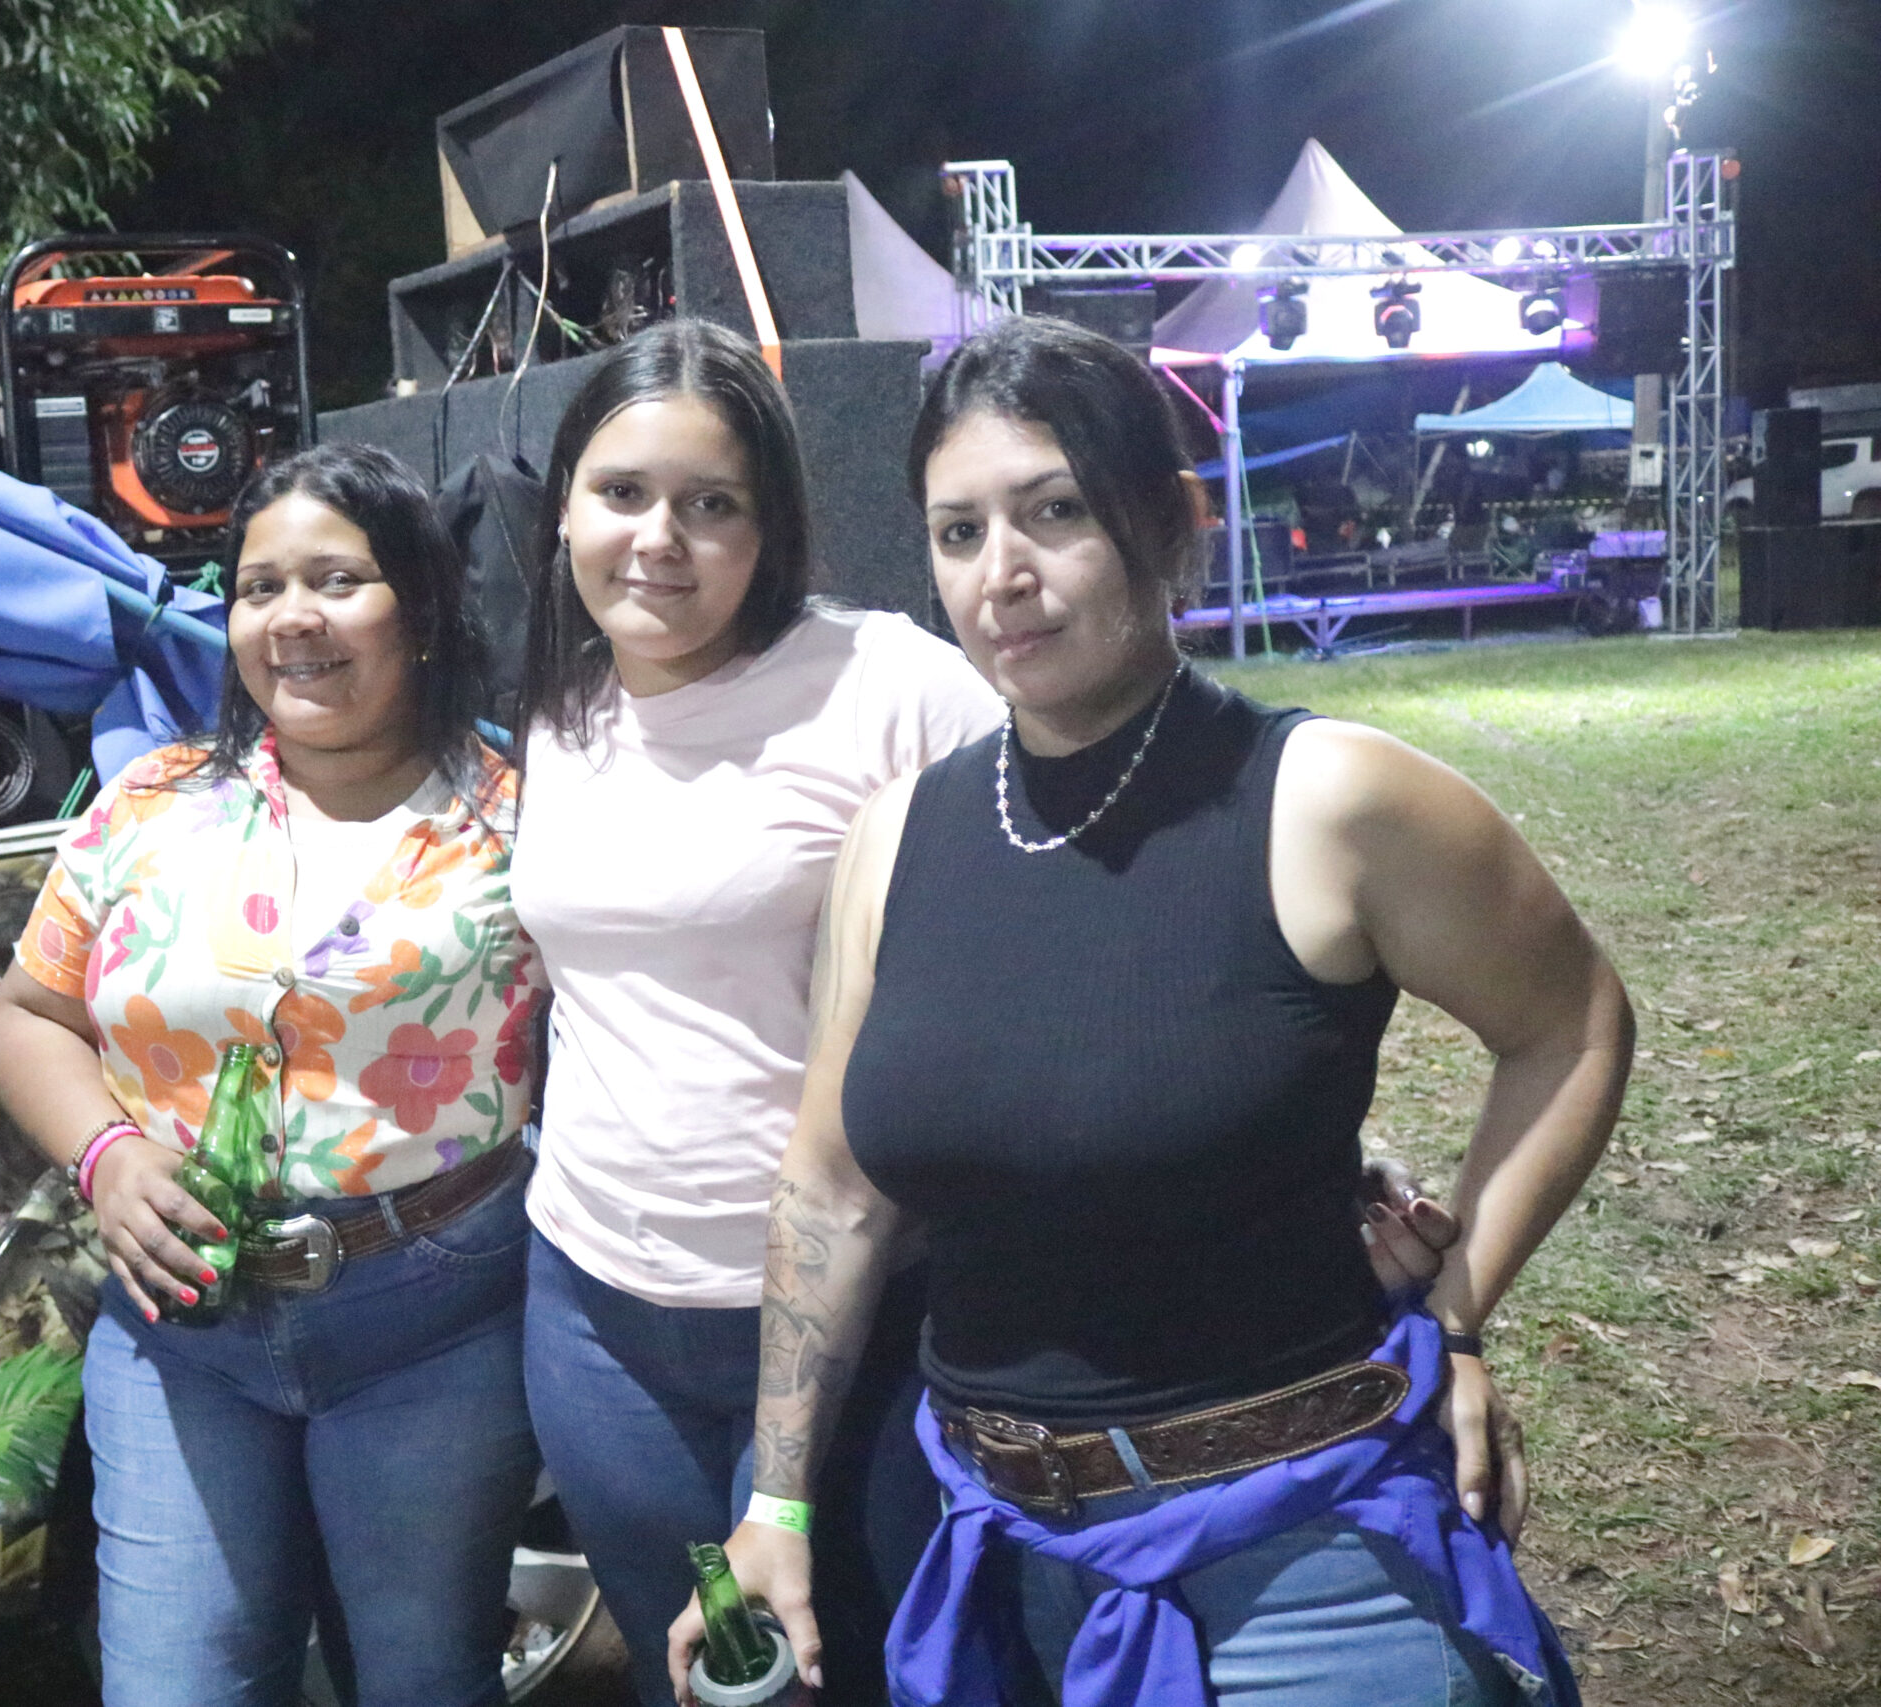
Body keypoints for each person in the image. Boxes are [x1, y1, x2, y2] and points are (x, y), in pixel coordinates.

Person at [508, 320, 1465, 1707]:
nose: (660, 538)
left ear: (772, 529)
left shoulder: (889, 683)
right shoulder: (558, 706)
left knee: (883, 1664)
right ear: (563, 510)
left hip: (869, 1305)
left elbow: (1096, 885)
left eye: (711, 502)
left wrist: (1283, 1147)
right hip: (596, 1304)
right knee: (701, 1677)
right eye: (621, 493)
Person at [679, 315, 1632, 1707]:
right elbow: (832, 1190)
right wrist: (778, 1500)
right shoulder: (897, 840)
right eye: (958, 532)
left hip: (1305, 1560)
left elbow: (1573, 1025)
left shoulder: (1327, 798)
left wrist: (1461, 1305)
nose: (1002, 574)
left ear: (1172, 517)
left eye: (1055, 511)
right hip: (1000, 1558)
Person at [0, 443, 544, 1707]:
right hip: (182, 1331)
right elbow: (30, 1016)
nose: (292, 617)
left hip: (435, 1319)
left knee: (422, 1682)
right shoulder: (148, 804)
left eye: (338, 581)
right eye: (259, 587)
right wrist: (106, 1155)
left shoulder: (521, 821)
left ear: (421, 607)